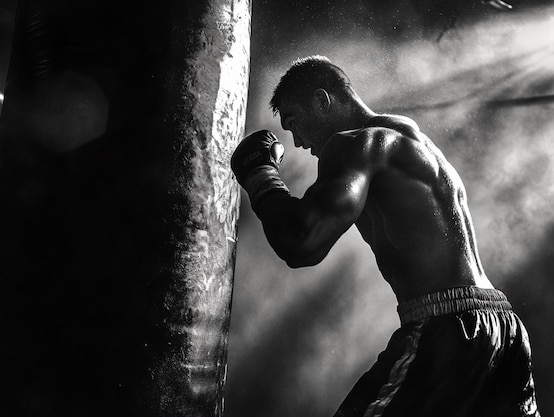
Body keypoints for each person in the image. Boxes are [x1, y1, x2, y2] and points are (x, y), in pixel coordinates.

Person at [231, 55, 539, 417]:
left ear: (322, 100)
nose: (297, 141)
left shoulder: (353, 145)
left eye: (295, 123)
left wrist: (260, 174)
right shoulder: (410, 140)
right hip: (505, 331)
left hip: (449, 335)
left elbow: (303, 242)